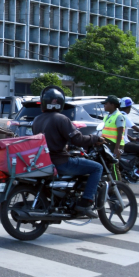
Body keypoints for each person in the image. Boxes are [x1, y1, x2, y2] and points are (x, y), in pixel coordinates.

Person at [32, 86, 105, 218]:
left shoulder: (37, 120)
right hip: (60, 162)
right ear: (60, 103)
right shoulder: (61, 118)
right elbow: (78, 139)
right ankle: (85, 202)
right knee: (97, 168)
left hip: (44, 161)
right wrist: (95, 138)